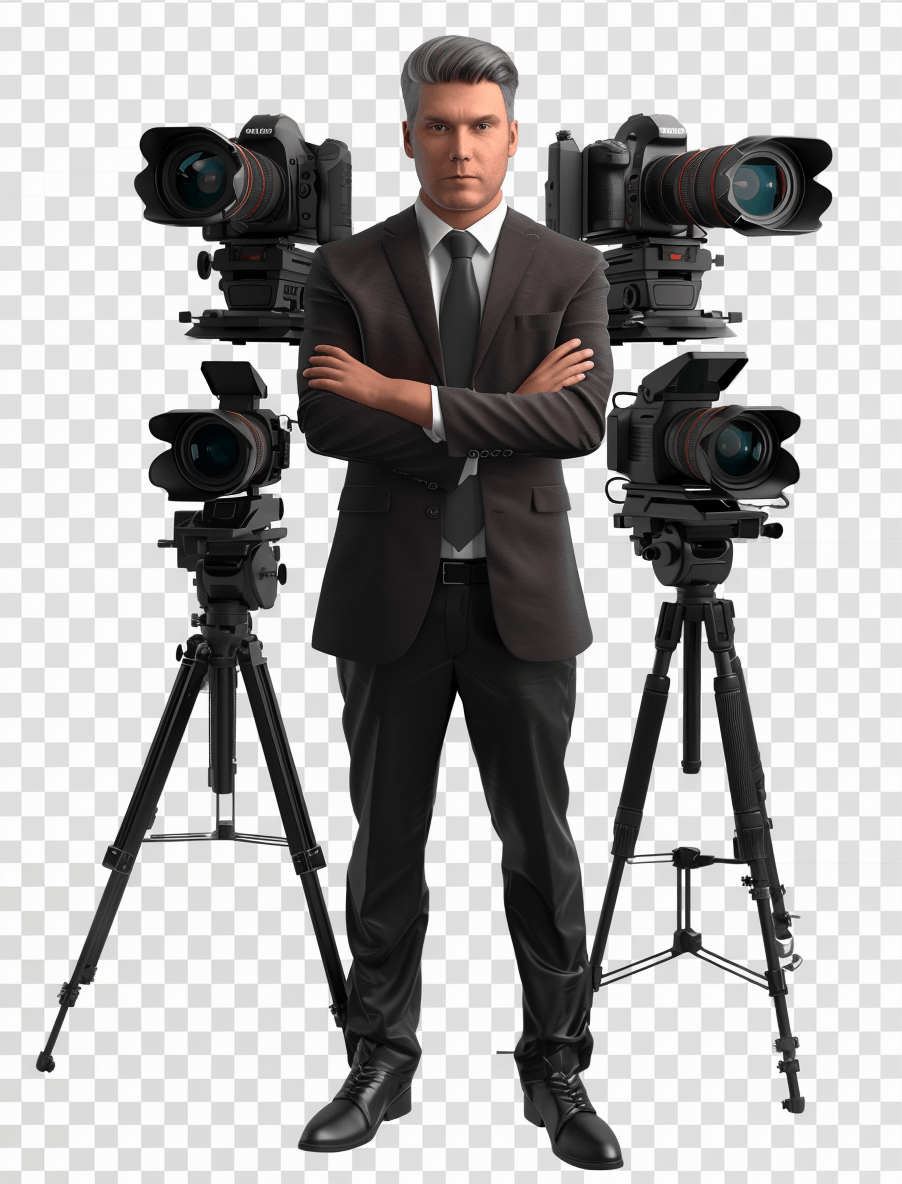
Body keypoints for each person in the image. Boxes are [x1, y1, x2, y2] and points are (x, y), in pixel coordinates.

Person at [294, 34, 621, 1170]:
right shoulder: (348, 266)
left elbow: (580, 426)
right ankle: (380, 1055)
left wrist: (411, 396)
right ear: (407, 136)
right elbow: (330, 421)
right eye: (439, 125)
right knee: (387, 839)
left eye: (481, 126)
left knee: (539, 839)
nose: (461, 147)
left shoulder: (569, 267)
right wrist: (489, 409)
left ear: (512, 136)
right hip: (390, 596)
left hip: (520, 598)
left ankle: (558, 1060)